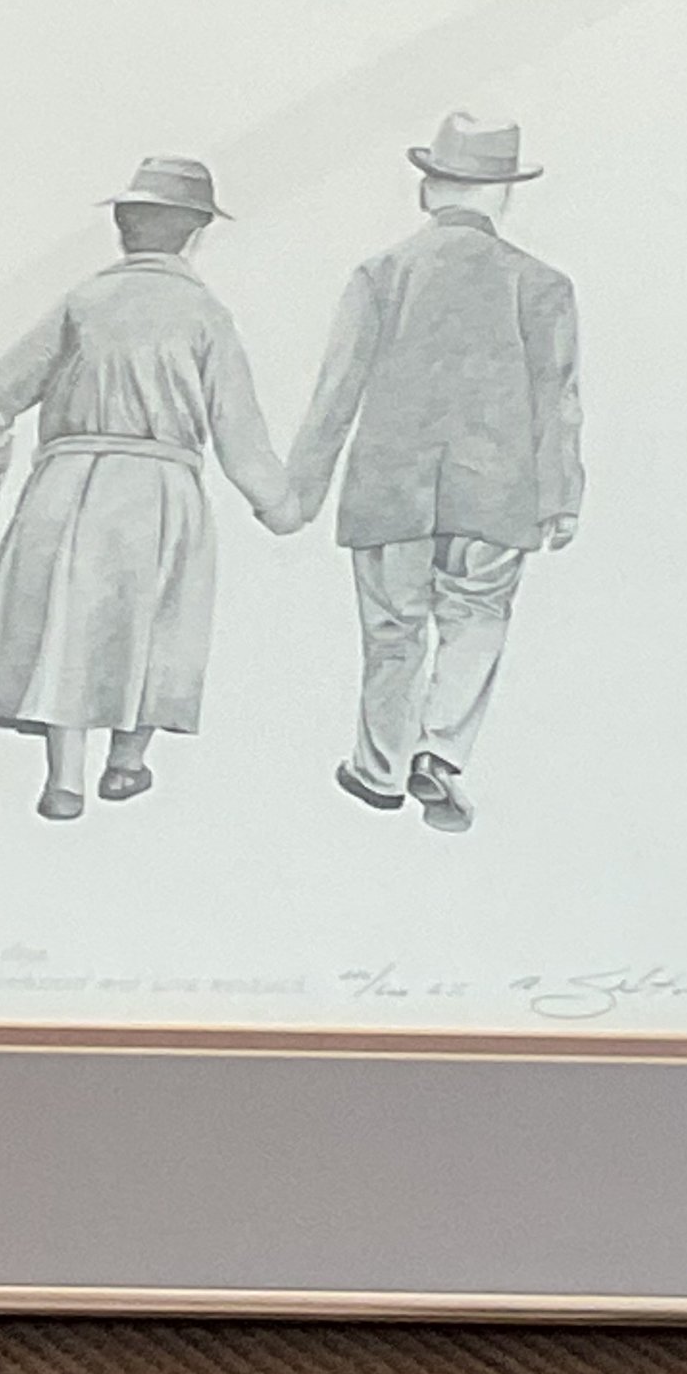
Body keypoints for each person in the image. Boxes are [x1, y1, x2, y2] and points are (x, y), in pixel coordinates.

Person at [0, 156, 301, 820]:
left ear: (123, 225)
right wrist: (279, 505)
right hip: (159, 489)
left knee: (69, 628)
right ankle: (127, 762)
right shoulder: (205, 314)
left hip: (66, 485)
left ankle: (64, 781)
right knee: (155, 623)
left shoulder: (84, 302)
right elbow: (238, 431)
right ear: (196, 230)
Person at [287, 112, 583, 834]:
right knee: (476, 617)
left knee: (392, 632)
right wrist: (561, 496)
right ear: (503, 193)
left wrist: (302, 490)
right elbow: (558, 399)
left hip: (391, 488)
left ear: (429, 189)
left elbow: (335, 393)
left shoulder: (380, 274)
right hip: (497, 490)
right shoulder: (543, 284)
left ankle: (378, 770)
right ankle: (441, 751)